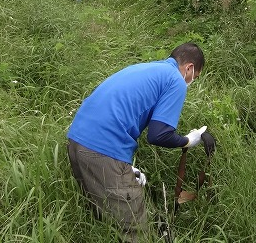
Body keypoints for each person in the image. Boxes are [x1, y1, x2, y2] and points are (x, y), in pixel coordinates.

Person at [66, 43, 207, 242]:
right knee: (136, 231)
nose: (192, 81)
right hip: (102, 149)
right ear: (189, 68)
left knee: (103, 222)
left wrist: (124, 166)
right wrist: (188, 141)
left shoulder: (147, 69)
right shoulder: (175, 79)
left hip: (77, 141)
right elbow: (159, 134)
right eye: (195, 77)